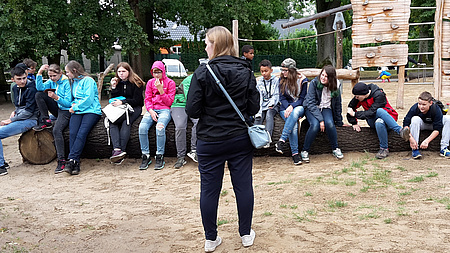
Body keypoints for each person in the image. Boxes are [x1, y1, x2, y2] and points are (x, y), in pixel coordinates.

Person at [186, 26, 260, 252]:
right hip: (238, 138)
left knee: (209, 190)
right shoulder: (246, 70)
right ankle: (246, 234)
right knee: (243, 186)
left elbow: (192, 110)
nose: (206, 46)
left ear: (216, 44)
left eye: (208, 42)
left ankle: (210, 239)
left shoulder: (202, 72)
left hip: (210, 140)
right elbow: (254, 106)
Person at [347, 82, 410, 159]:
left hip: (389, 119)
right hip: (371, 120)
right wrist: (354, 122)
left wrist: (355, 114)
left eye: (357, 96)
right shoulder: (359, 97)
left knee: (379, 118)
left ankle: (384, 149)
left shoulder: (379, 95)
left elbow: (372, 112)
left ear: (364, 94)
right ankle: (400, 131)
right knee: (378, 118)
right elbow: (350, 108)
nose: (355, 98)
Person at [63, 60, 102, 175]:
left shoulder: (88, 81)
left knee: (82, 133)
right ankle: (75, 162)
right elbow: (74, 98)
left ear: (74, 71)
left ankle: (71, 159)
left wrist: (76, 107)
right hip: (78, 110)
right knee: (73, 133)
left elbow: (89, 99)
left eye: (67, 72)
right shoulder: (73, 82)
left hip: (91, 110)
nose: (66, 74)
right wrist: (73, 105)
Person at [33, 64, 72, 173]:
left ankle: (62, 160)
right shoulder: (52, 82)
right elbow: (40, 88)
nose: (52, 78)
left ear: (60, 73)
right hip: (58, 107)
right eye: (50, 76)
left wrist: (56, 98)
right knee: (39, 94)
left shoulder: (66, 82)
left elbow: (68, 103)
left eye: (54, 75)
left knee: (56, 130)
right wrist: (40, 73)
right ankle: (46, 120)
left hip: (66, 109)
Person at [301, 65, 344, 162]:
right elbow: (310, 103)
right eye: (322, 75)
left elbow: (338, 105)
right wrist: (321, 120)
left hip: (326, 108)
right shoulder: (314, 83)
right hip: (312, 108)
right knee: (315, 125)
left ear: (331, 78)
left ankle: (335, 148)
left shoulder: (336, 86)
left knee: (329, 123)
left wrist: (339, 122)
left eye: (326, 76)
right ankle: (305, 150)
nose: (323, 78)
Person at [0, 66, 38, 176]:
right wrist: (15, 112)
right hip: (20, 118)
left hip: (31, 119)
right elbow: (19, 106)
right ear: (13, 80)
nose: (22, 81)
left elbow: (29, 112)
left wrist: (11, 120)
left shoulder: (31, 88)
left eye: (24, 78)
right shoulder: (15, 88)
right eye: (19, 79)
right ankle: (3, 163)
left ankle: (1, 167)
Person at [138, 61, 176, 170]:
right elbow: (148, 99)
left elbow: (169, 102)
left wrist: (161, 90)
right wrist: (150, 110)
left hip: (164, 109)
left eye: (159, 72)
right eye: (154, 72)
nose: (156, 75)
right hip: (152, 110)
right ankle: (145, 155)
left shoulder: (170, 83)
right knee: (142, 128)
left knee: (159, 128)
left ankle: (160, 155)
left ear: (163, 71)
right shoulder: (150, 83)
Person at [108, 62, 145, 165]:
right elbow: (114, 98)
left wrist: (124, 102)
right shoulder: (118, 82)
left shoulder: (136, 82)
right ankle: (117, 149)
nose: (121, 74)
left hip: (134, 108)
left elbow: (138, 101)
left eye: (123, 71)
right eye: (119, 71)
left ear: (129, 71)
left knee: (126, 122)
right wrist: (114, 87)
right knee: (113, 121)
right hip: (120, 108)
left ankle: (122, 150)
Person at [274, 58, 308, 165]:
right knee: (293, 126)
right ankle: (295, 154)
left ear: (292, 70)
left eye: (285, 70)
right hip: (284, 108)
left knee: (296, 111)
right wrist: (288, 107)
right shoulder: (282, 80)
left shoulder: (302, 80)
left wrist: (292, 106)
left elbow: (302, 99)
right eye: (282, 70)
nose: (282, 72)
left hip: (298, 107)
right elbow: (282, 98)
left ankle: (282, 140)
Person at [402, 91, 450, 159]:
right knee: (415, 119)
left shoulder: (436, 109)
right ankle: (415, 148)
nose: (421, 107)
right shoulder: (415, 108)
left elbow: (437, 129)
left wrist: (427, 141)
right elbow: (405, 124)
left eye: (424, 104)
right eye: (419, 104)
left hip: (433, 126)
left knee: (448, 118)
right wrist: (411, 139)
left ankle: (444, 148)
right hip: (422, 125)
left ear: (430, 103)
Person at [170, 74, 199, 169]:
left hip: (193, 104)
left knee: (199, 122)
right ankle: (181, 156)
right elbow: (189, 97)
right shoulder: (189, 80)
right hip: (180, 104)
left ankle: (194, 150)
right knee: (180, 126)